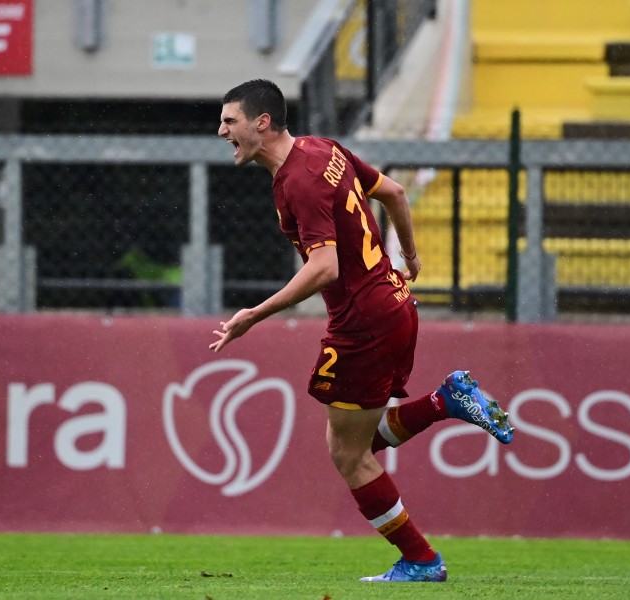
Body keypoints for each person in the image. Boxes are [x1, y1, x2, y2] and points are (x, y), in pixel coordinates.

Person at [209, 79, 514, 583]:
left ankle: (421, 560)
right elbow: (393, 192)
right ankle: (447, 401)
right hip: (395, 302)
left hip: (363, 323)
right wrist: (410, 256)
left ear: (261, 123)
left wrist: (253, 315)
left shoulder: (297, 182)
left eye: (229, 121)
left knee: (347, 456)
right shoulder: (321, 148)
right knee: (356, 446)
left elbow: (325, 268)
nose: (221, 131)